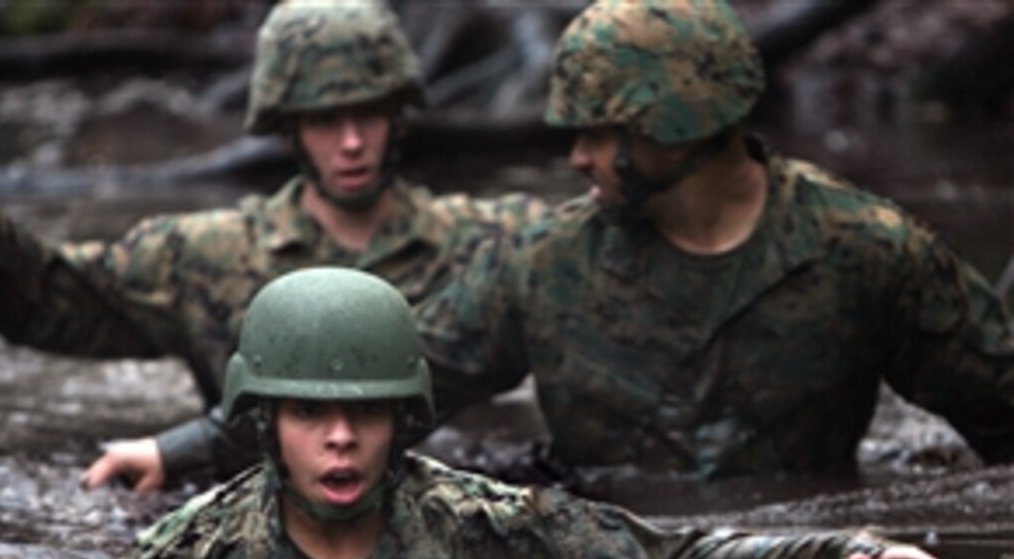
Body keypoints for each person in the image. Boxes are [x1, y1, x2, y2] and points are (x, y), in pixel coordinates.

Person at [67, 268, 967, 559]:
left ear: (404, 417)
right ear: (265, 422)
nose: (339, 439)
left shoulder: (494, 531)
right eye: (309, 414)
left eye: (365, 412)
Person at [0, 0, 546, 491]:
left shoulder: (492, 245)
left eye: (370, 115)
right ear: (286, 129)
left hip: (459, 504)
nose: (352, 141)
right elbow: (49, 302)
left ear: (400, 117)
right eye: (326, 120)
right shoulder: (206, 256)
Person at [416, 0, 1013, 480]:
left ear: (673, 127)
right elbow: (391, 400)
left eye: (599, 133)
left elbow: (1001, 418)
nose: (576, 159)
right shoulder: (544, 261)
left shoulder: (868, 253)